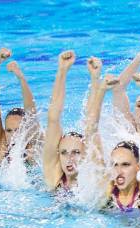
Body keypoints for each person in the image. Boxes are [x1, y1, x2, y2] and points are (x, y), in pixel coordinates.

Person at [86, 71, 140, 212]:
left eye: (125, 164)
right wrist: (101, 90)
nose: (119, 170)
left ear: (138, 166)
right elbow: (90, 132)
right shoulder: (106, 189)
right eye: (114, 164)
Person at [0, 48, 40, 165]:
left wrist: (21, 78)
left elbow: (31, 111)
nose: (14, 135)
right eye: (9, 130)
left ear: (27, 130)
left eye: (19, 130)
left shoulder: (33, 146)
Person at [43, 50, 88, 192]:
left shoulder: (93, 186)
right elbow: (53, 119)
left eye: (76, 152)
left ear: (86, 155)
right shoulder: (53, 177)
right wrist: (62, 71)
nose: (69, 158)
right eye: (63, 152)